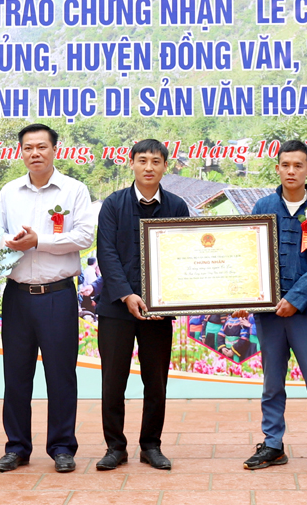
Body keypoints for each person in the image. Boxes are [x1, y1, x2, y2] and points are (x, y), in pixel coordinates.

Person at [0, 124, 94, 474]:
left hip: (57, 295)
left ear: (55, 149)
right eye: (28, 148)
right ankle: (17, 447)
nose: (35, 153)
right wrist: (12, 240)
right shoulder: (9, 192)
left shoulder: (74, 190)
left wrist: (39, 241)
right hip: (18, 296)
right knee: (16, 375)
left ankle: (62, 447)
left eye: (41, 147)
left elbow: (83, 236)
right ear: (20, 152)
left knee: (61, 374)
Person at [243, 140, 307, 473]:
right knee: (272, 383)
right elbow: (251, 255)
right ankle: (272, 445)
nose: (291, 171)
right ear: (277, 168)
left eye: (298, 165)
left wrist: (295, 300)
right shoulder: (264, 205)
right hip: (269, 313)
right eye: (285, 165)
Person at [93, 139, 190, 472]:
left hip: (158, 311)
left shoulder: (177, 206)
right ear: (131, 163)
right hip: (116, 309)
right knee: (113, 380)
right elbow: (106, 253)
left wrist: (171, 296)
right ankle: (115, 447)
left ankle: (151, 445)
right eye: (143, 160)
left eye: (156, 161)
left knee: (156, 380)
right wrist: (125, 294)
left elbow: (181, 254)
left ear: (166, 166)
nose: (149, 167)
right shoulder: (113, 204)